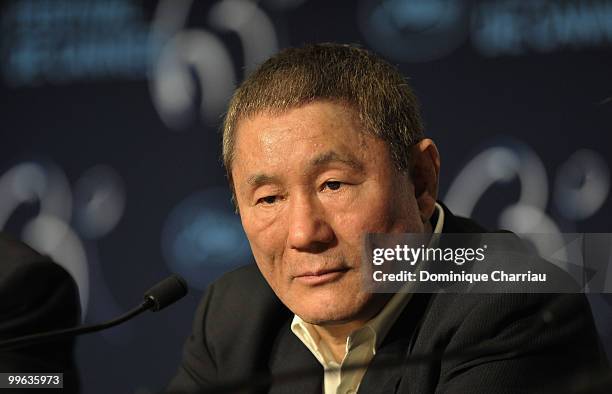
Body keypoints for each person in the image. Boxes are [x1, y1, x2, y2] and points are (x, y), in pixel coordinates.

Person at [166, 43, 607, 393]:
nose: (304, 234)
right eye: (268, 199)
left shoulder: (515, 305)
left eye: (333, 185)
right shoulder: (234, 315)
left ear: (419, 181)